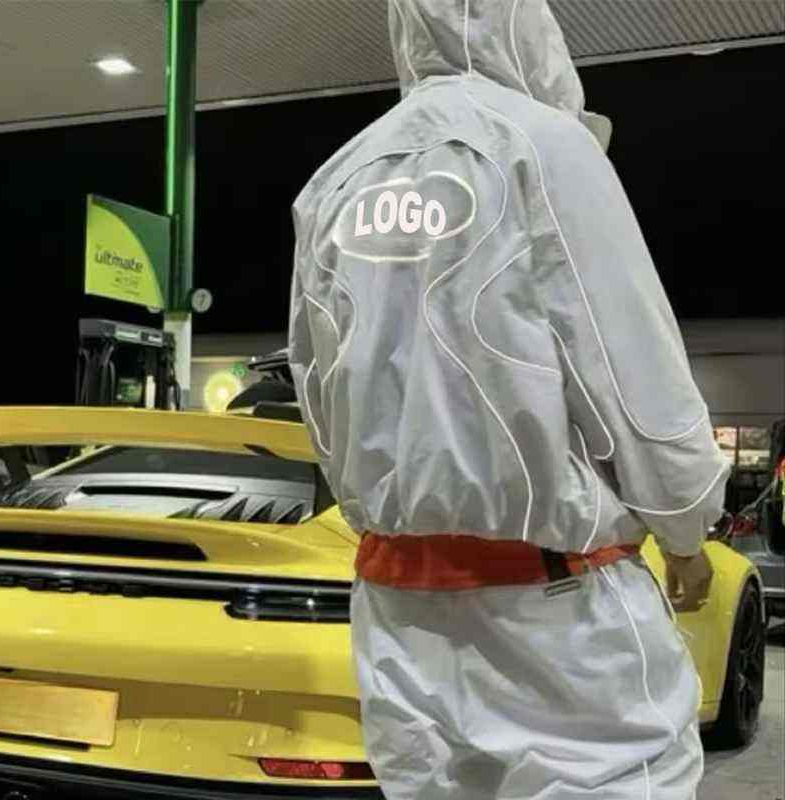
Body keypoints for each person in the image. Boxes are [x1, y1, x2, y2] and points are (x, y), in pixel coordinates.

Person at [288, 1, 729, 797]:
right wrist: (687, 530)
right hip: (556, 613)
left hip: (398, 611)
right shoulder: (547, 147)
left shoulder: (336, 179)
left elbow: (318, 384)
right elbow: (631, 372)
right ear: (527, 25)